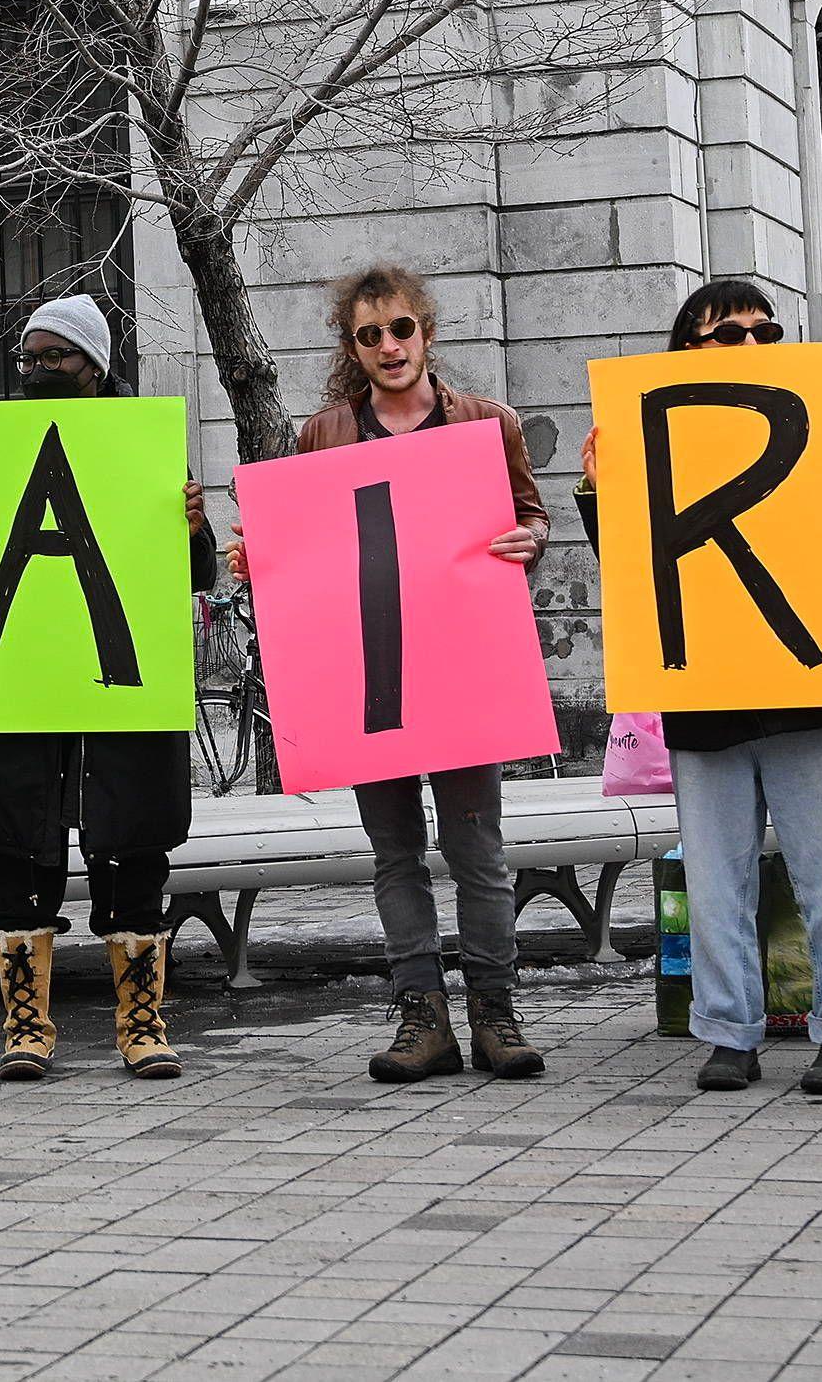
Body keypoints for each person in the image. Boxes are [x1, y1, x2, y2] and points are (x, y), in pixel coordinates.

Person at [577, 280, 822, 1097]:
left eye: (766, 331)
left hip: (815, 693)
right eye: (727, 334)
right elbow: (638, 567)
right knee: (717, 883)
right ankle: (727, 1032)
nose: (752, 346)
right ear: (687, 350)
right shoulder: (657, 435)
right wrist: (598, 491)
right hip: (708, 698)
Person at [246, 267, 549, 1085]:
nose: (389, 346)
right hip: (367, 676)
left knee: (477, 849)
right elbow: (307, 545)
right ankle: (422, 1015)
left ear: (427, 332)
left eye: (401, 328)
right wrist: (260, 559)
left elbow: (529, 515)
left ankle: (494, 1011)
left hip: (461, 665)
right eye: (370, 335)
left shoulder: (487, 423)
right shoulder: (324, 434)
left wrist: (531, 538)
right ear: (352, 348)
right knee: (395, 854)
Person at [0, 293, 212, 1083]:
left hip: (122, 688)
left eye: (56, 356)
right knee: (19, 845)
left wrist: (191, 524)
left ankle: (141, 1024)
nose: (39, 368)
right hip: (22, 681)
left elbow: (193, 575)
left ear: (95, 362)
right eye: (30, 357)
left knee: (135, 849)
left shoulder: (143, 445)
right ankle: (26, 1026)